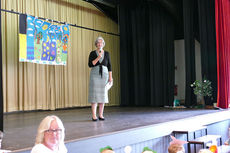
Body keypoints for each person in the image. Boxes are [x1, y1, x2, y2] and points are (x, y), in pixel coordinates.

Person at [88, 36, 113, 121]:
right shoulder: (92, 53)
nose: (99, 44)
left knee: (103, 95)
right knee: (94, 95)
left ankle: (101, 115)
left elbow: (109, 66)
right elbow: (90, 64)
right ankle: (94, 115)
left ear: (103, 44)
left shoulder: (107, 53)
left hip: (105, 75)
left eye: (101, 42)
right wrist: (98, 57)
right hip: (95, 75)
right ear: (96, 44)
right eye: (98, 42)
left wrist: (110, 77)